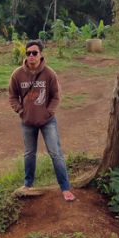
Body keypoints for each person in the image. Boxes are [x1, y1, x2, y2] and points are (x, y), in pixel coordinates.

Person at [8, 39, 75, 202]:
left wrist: (48, 112)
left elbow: (56, 96)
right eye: (28, 53)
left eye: (34, 53)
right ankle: (28, 185)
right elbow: (12, 96)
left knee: (56, 153)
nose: (31, 56)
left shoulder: (49, 74)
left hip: (47, 122)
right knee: (29, 154)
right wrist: (20, 110)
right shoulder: (17, 74)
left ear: (41, 54)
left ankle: (65, 188)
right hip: (27, 122)